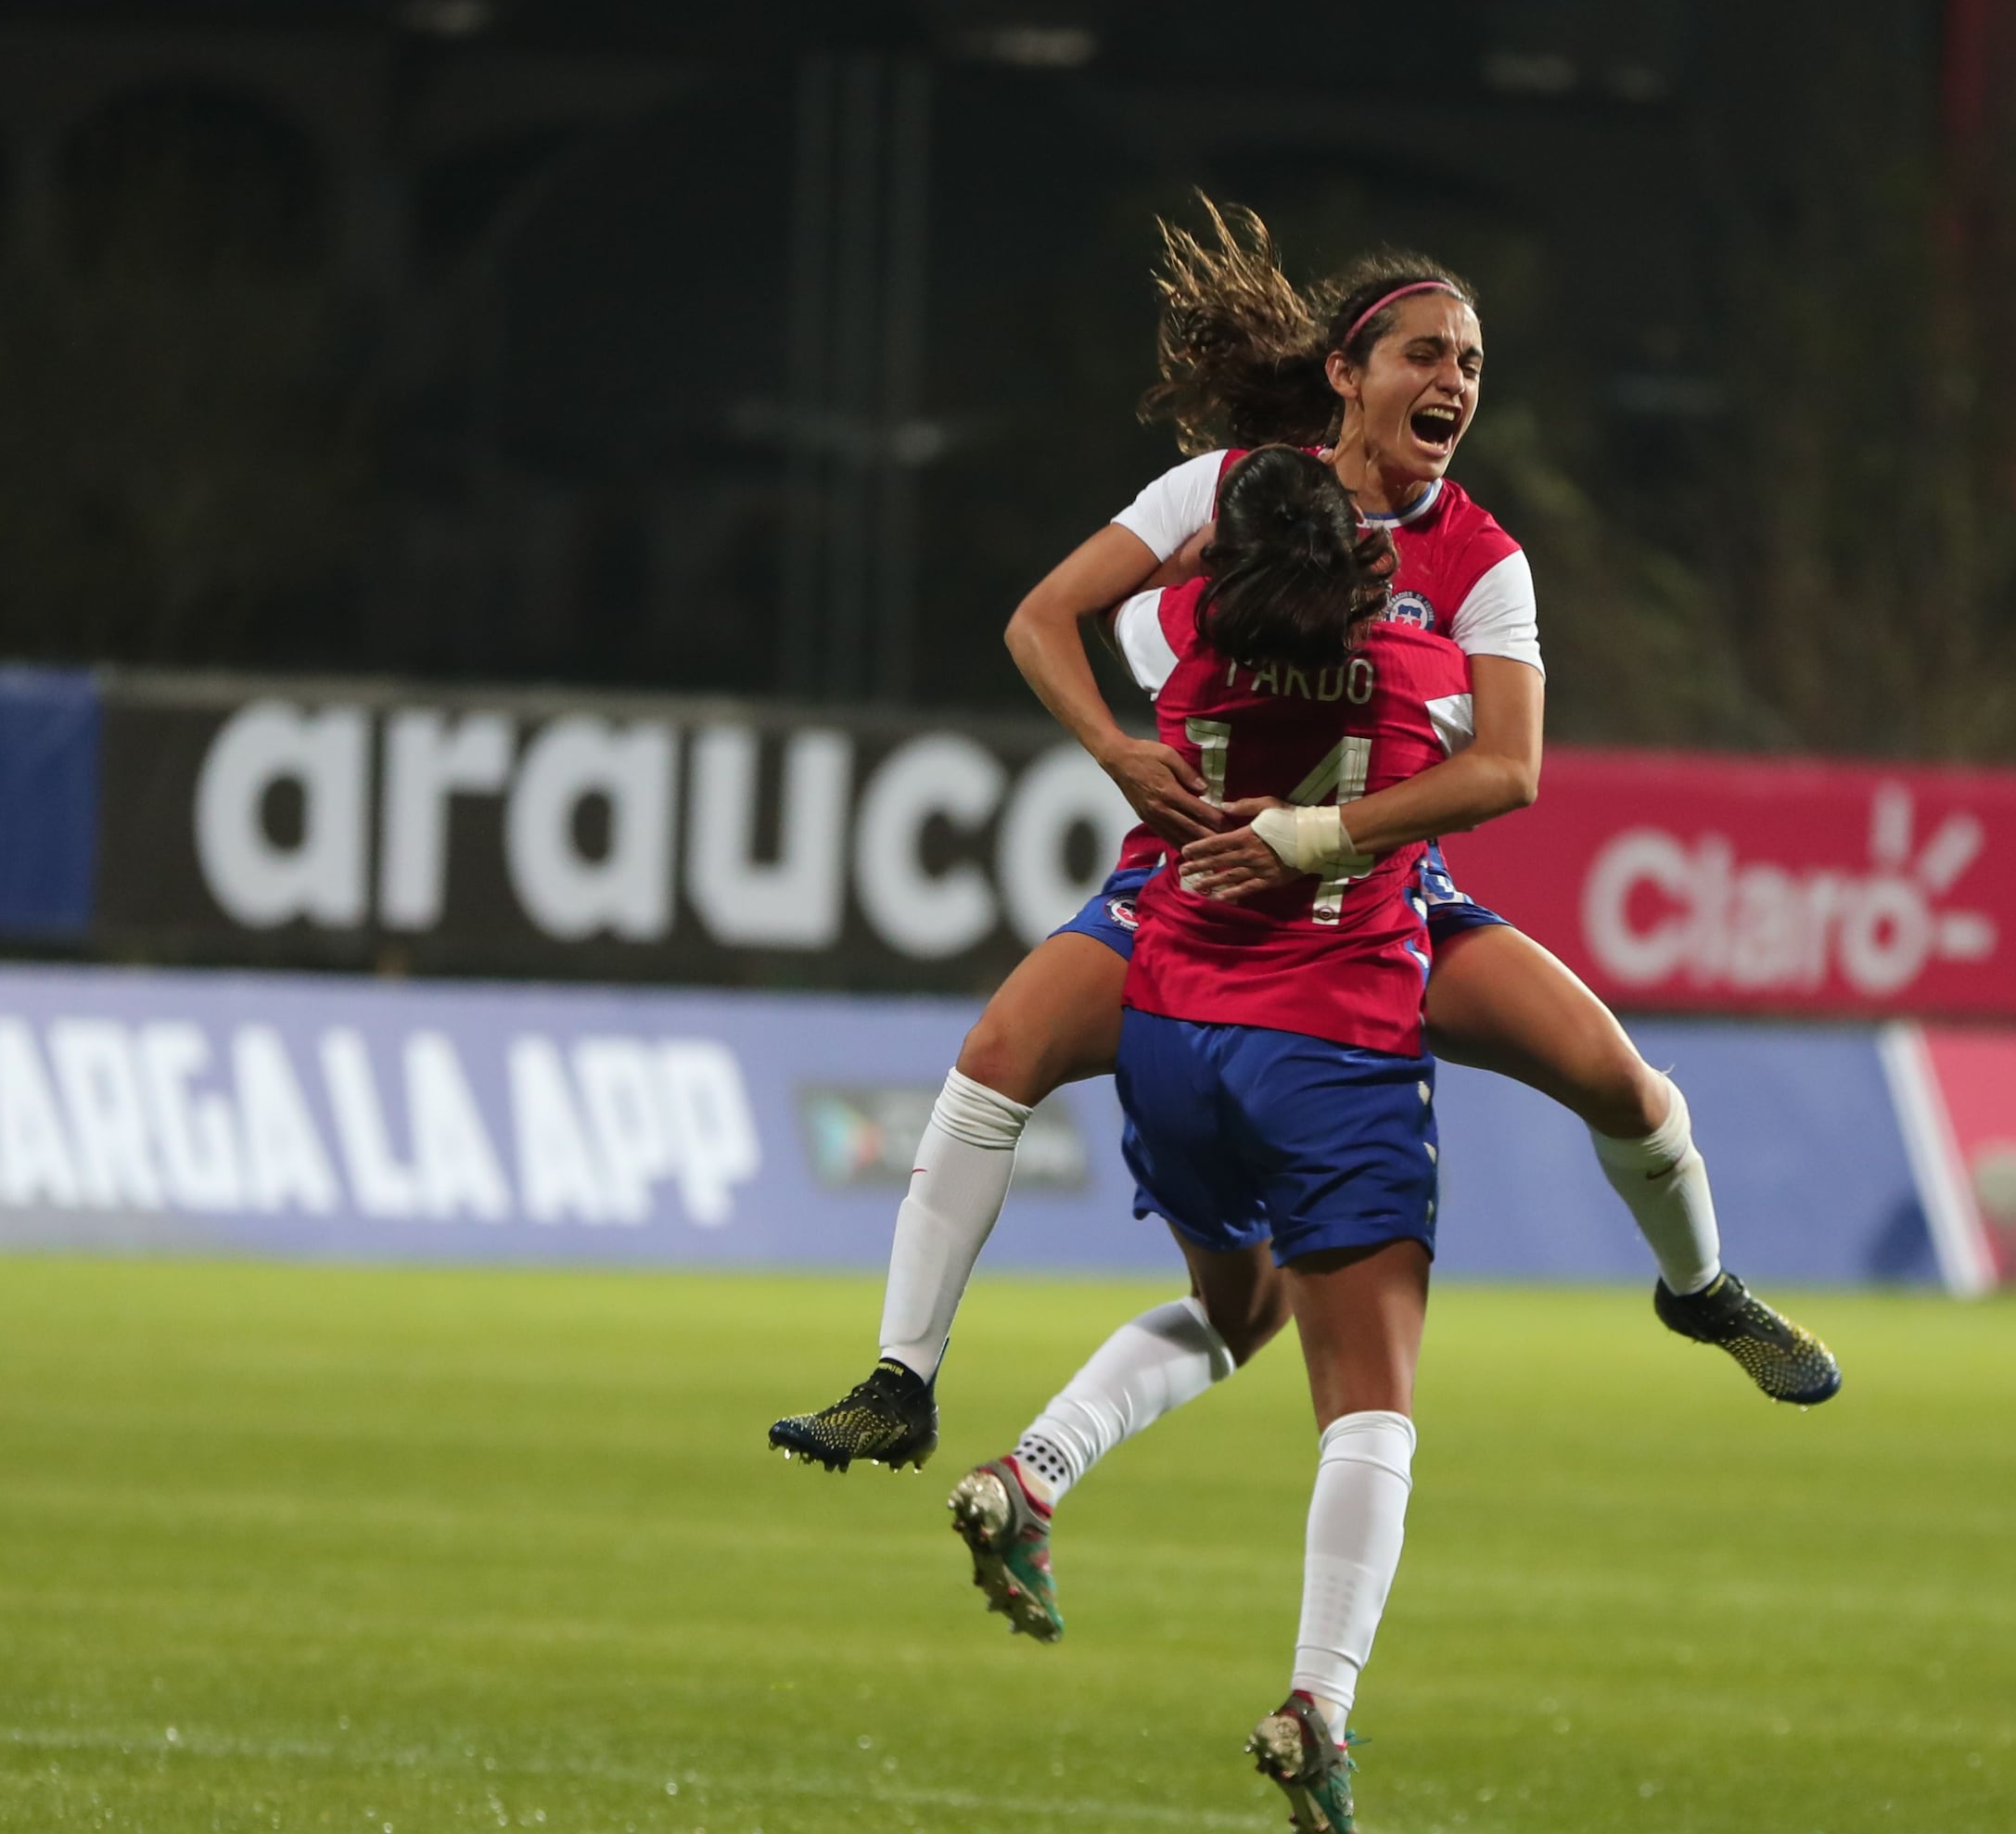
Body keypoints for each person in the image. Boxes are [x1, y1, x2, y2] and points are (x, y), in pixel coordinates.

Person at [770, 204, 1836, 1520]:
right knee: (998, 1059)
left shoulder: (1481, 560)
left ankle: (1702, 1292)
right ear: (1346, 371)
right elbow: (1044, 617)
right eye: (1426, 354)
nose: (1453, 381)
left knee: (1628, 1089)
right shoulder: (1222, 492)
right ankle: (900, 1378)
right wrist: (1115, 750)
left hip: (1380, 902)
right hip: (1193, 896)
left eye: (1472, 365)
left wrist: (1321, 835)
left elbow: (1510, 769)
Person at [1091, 446, 1492, 1834]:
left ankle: (1001, 1434)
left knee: (1227, 1305)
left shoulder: (1183, 648)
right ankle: (1319, 1698)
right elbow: (1501, 761)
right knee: (1370, 1406)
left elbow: (1128, 612)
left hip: (1170, 1029)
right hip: (1331, 1037)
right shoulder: (1412, 673)